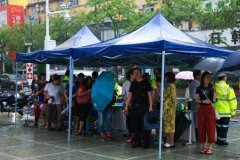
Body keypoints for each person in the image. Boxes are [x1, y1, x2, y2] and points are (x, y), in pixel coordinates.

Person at [125, 67, 153, 149]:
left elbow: (150, 95)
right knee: (135, 125)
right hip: (134, 107)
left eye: (137, 72)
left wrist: (150, 106)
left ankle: (146, 142)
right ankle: (137, 141)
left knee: (144, 125)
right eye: (134, 73)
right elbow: (130, 95)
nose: (136, 74)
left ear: (141, 73)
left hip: (144, 107)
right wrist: (126, 105)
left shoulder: (146, 82)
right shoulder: (133, 83)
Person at [195, 71, 216, 154]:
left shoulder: (212, 87)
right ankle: (203, 146)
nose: (209, 79)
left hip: (210, 109)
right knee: (202, 128)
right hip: (202, 109)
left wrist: (214, 90)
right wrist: (203, 101)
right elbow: (196, 99)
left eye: (210, 77)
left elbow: (214, 100)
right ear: (203, 78)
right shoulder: (199, 88)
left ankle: (210, 147)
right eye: (207, 77)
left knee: (210, 127)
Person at [214, 73, 237, 146]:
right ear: (224, 78)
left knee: (218, 126)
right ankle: (223, 141)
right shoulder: (229, 88)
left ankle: (218, 140)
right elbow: (232, 101)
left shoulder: (215, 87)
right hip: (226, 112)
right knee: (224, 127)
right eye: (226, 76)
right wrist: (233, 112)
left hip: (217, 111)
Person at [163, 72, 177, 148]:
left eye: (165, 77)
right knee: (167, 126)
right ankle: (168, 141)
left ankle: (171, 142)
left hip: (169, 110)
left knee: (170, 127)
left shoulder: (171, 86)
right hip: (167, 109)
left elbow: (173, 99)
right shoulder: (168, 86)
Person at [122, 69, 134, 143]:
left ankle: (134, 135)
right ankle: (130, 135)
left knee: (134, 121)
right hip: (128, 104)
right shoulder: (126, 83)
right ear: (130, 75)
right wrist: (127, 102)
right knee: (129, 121)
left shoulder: (136, 82)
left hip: (135, 104)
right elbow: (124, 94)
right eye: (134, 74)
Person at [189, 70, 201, 139]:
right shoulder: (197, 83)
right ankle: (197, 136)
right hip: (197, 102)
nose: (201, 76)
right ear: (197, 75)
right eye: (200, 75)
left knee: (194, 119)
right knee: (197, 119)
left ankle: (194, 135)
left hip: (192, 102)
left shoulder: (191, 83)